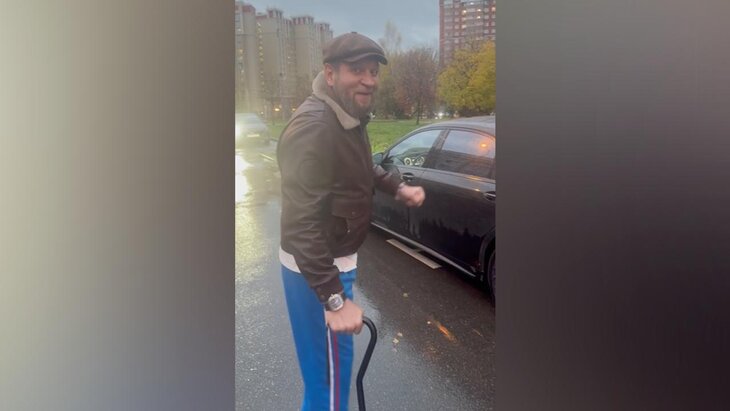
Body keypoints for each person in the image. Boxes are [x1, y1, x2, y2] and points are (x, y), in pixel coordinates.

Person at [276, 32, 425, 411]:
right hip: (318, 270)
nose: (369, 80)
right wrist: (334, 298)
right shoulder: (314, 128)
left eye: (373, 71)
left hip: (330, 263)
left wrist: (397, 187)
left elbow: (361, 166)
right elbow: (301, 225)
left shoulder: (345, 117)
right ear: (330, 73)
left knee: (326, 380)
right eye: (357, 70)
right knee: (330, 386)